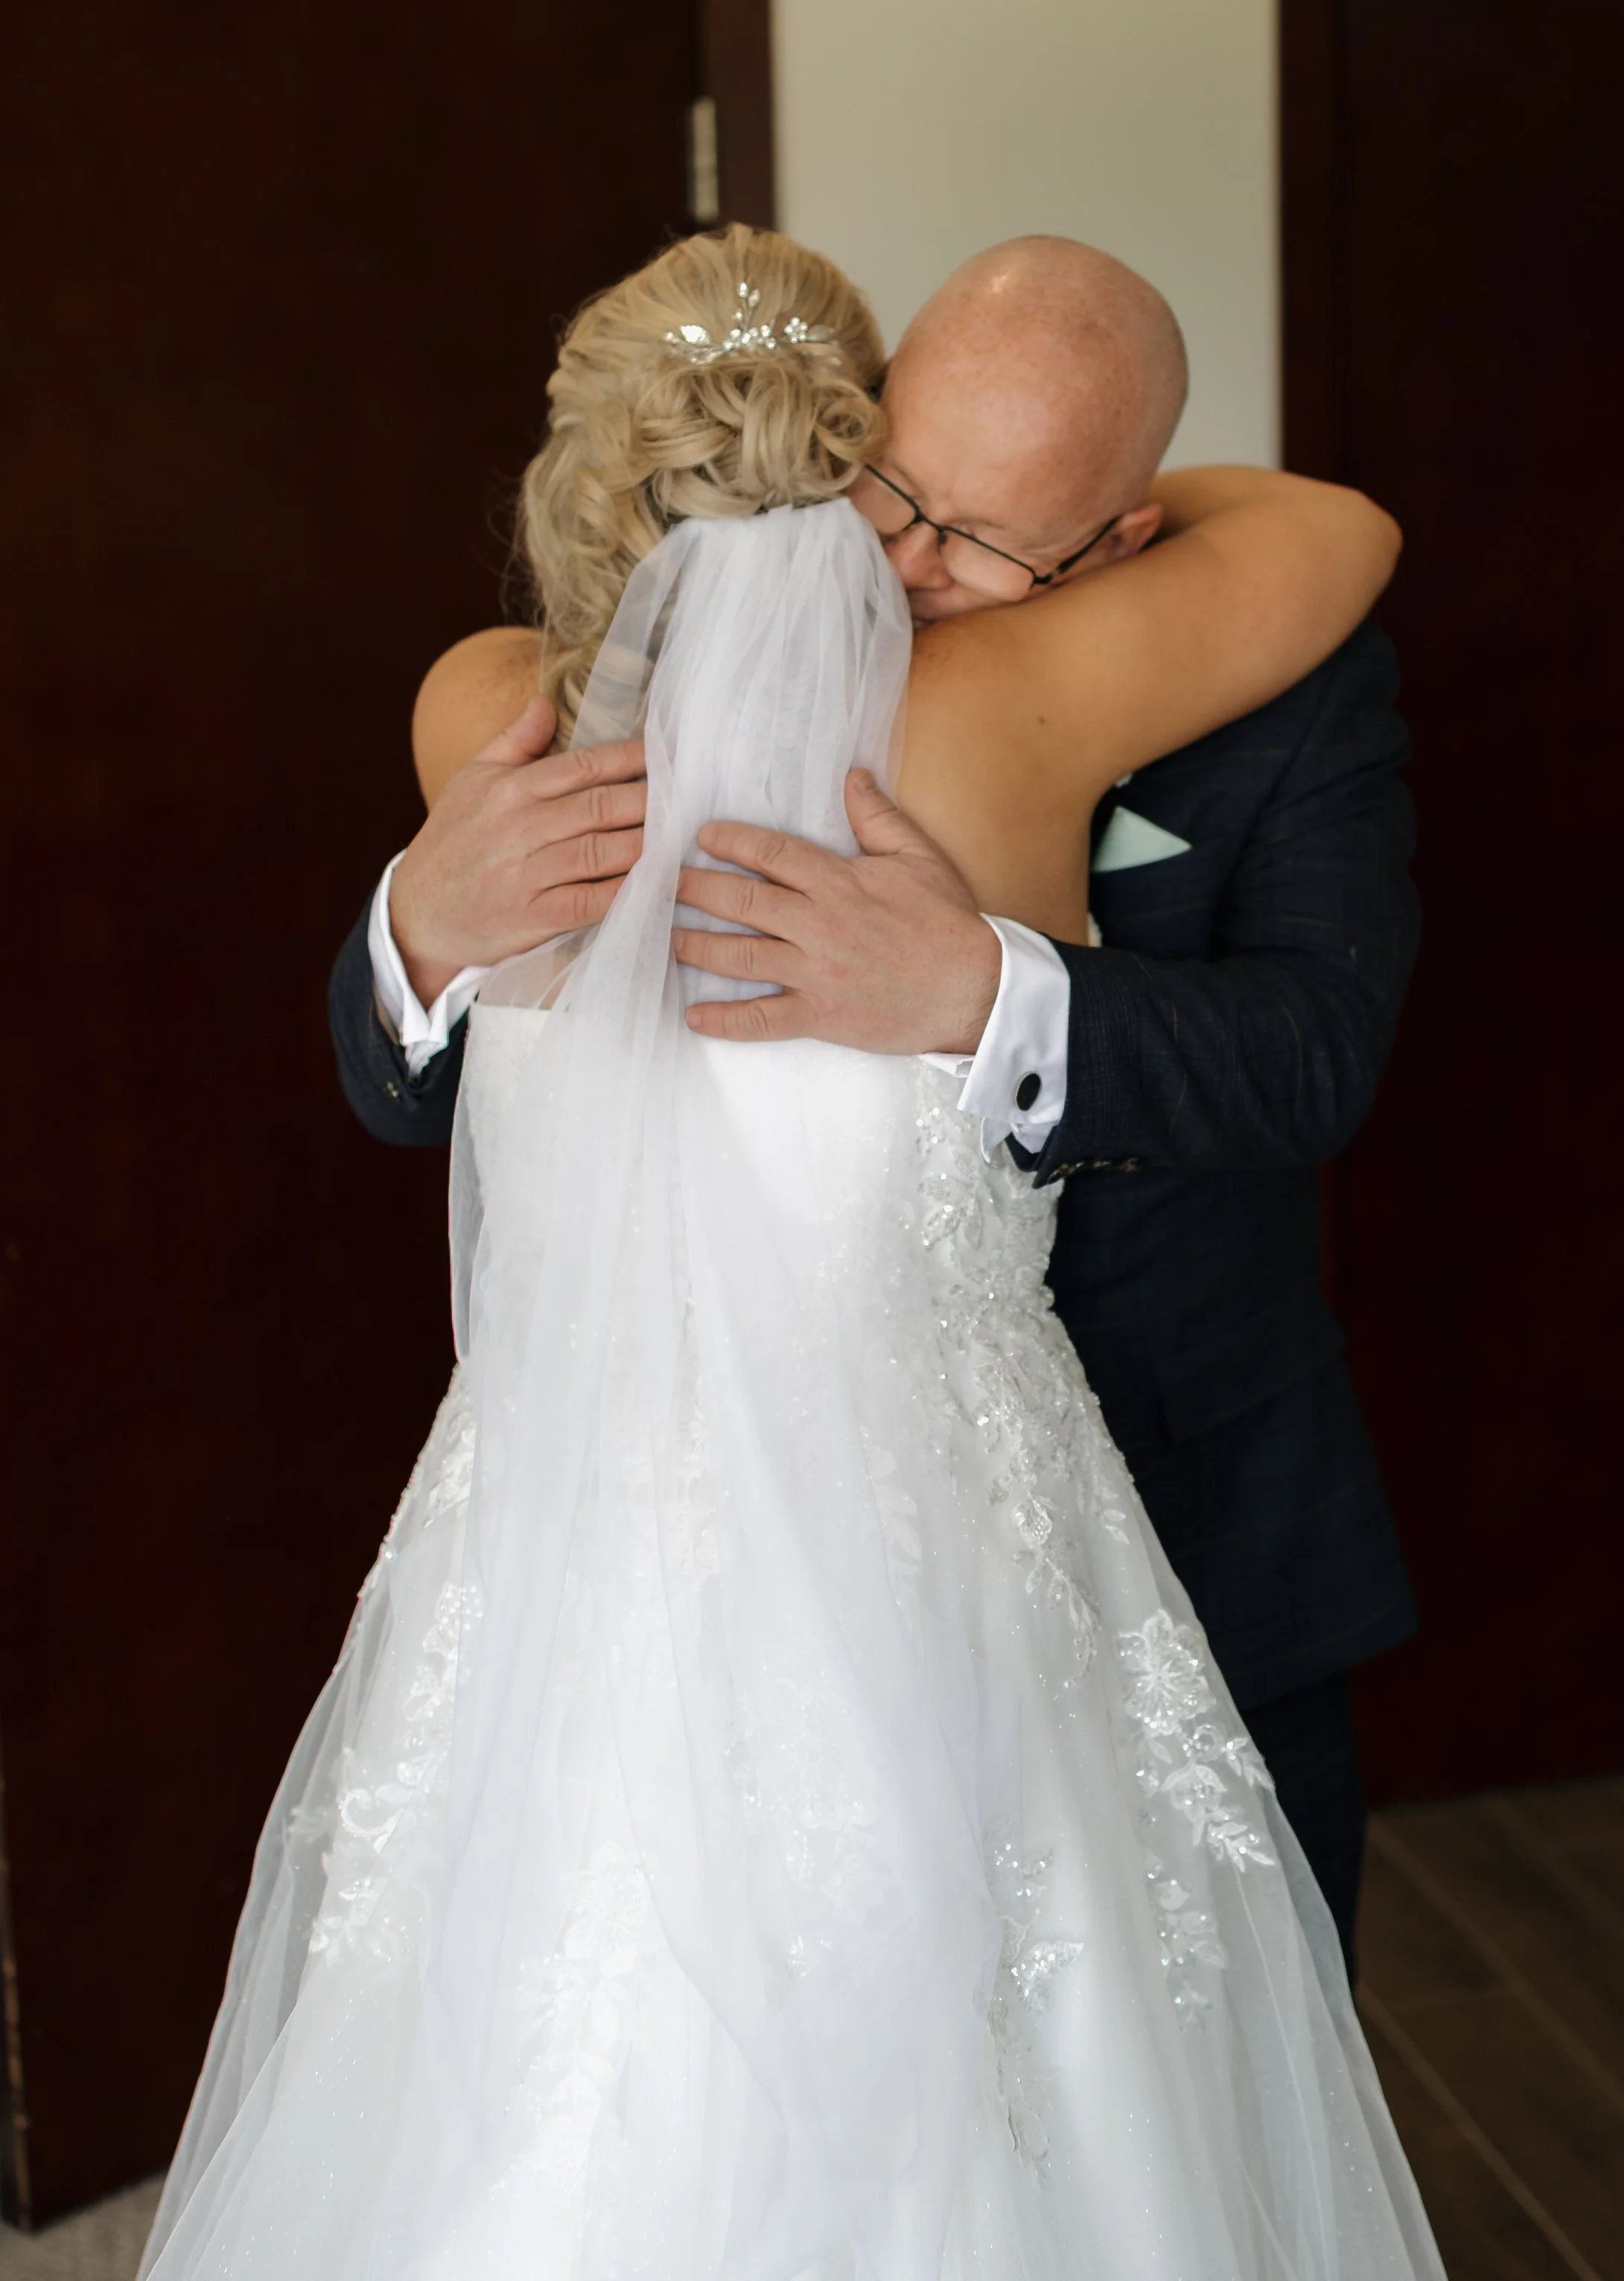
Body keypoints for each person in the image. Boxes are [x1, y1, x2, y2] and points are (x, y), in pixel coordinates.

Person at [144, 220, 1450, 2280]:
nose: (909, 571)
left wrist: (993, 993)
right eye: (888, 492)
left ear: (1120, 532)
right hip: (682, 1590)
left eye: (983, 539)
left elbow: (1316, 1052)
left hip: (1170, 1518)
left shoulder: (495, 704)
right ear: (838, 432)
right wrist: (412, 924)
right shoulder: (1007, 706)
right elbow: (1331, 522)